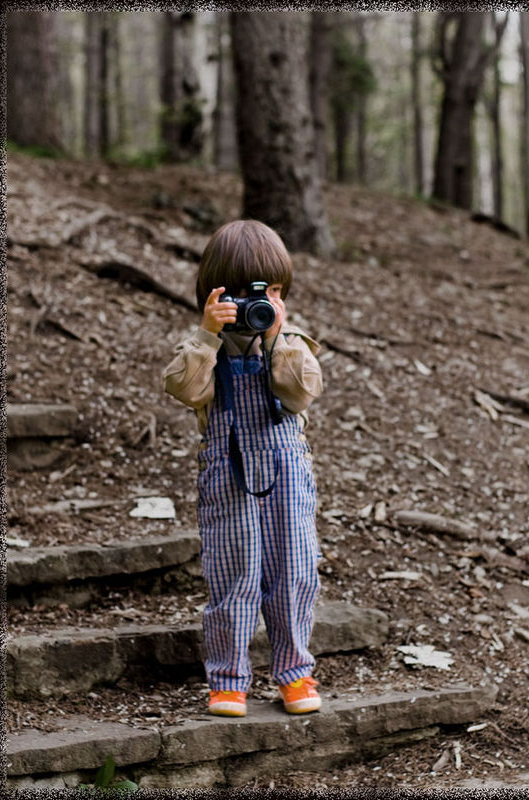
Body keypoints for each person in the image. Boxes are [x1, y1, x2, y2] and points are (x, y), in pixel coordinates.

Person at [163, 219, 323, 717]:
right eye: (247, 293)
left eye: (272, 291)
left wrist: (276, 337)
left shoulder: (290, 341)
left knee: (295, 571)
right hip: (228, 475)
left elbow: (302, 392)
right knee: (234, 575)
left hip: (286, 473)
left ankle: (294, 673)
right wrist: (208, 335)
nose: (261, 302)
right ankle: (228, 680)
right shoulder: (203, 347)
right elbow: (184, 388)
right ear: (214, 293)